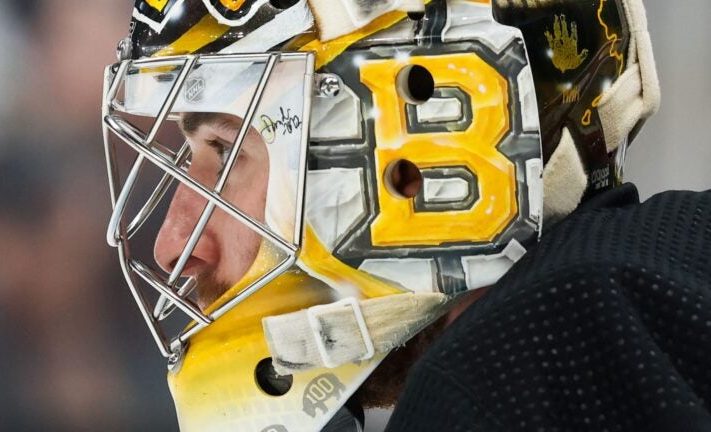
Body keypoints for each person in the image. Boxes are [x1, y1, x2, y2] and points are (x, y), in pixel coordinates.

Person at [101, 0, 710, 430]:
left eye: (227, 151)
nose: (175, 243)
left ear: (424, 138)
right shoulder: (668, 271)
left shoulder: (501, 385)